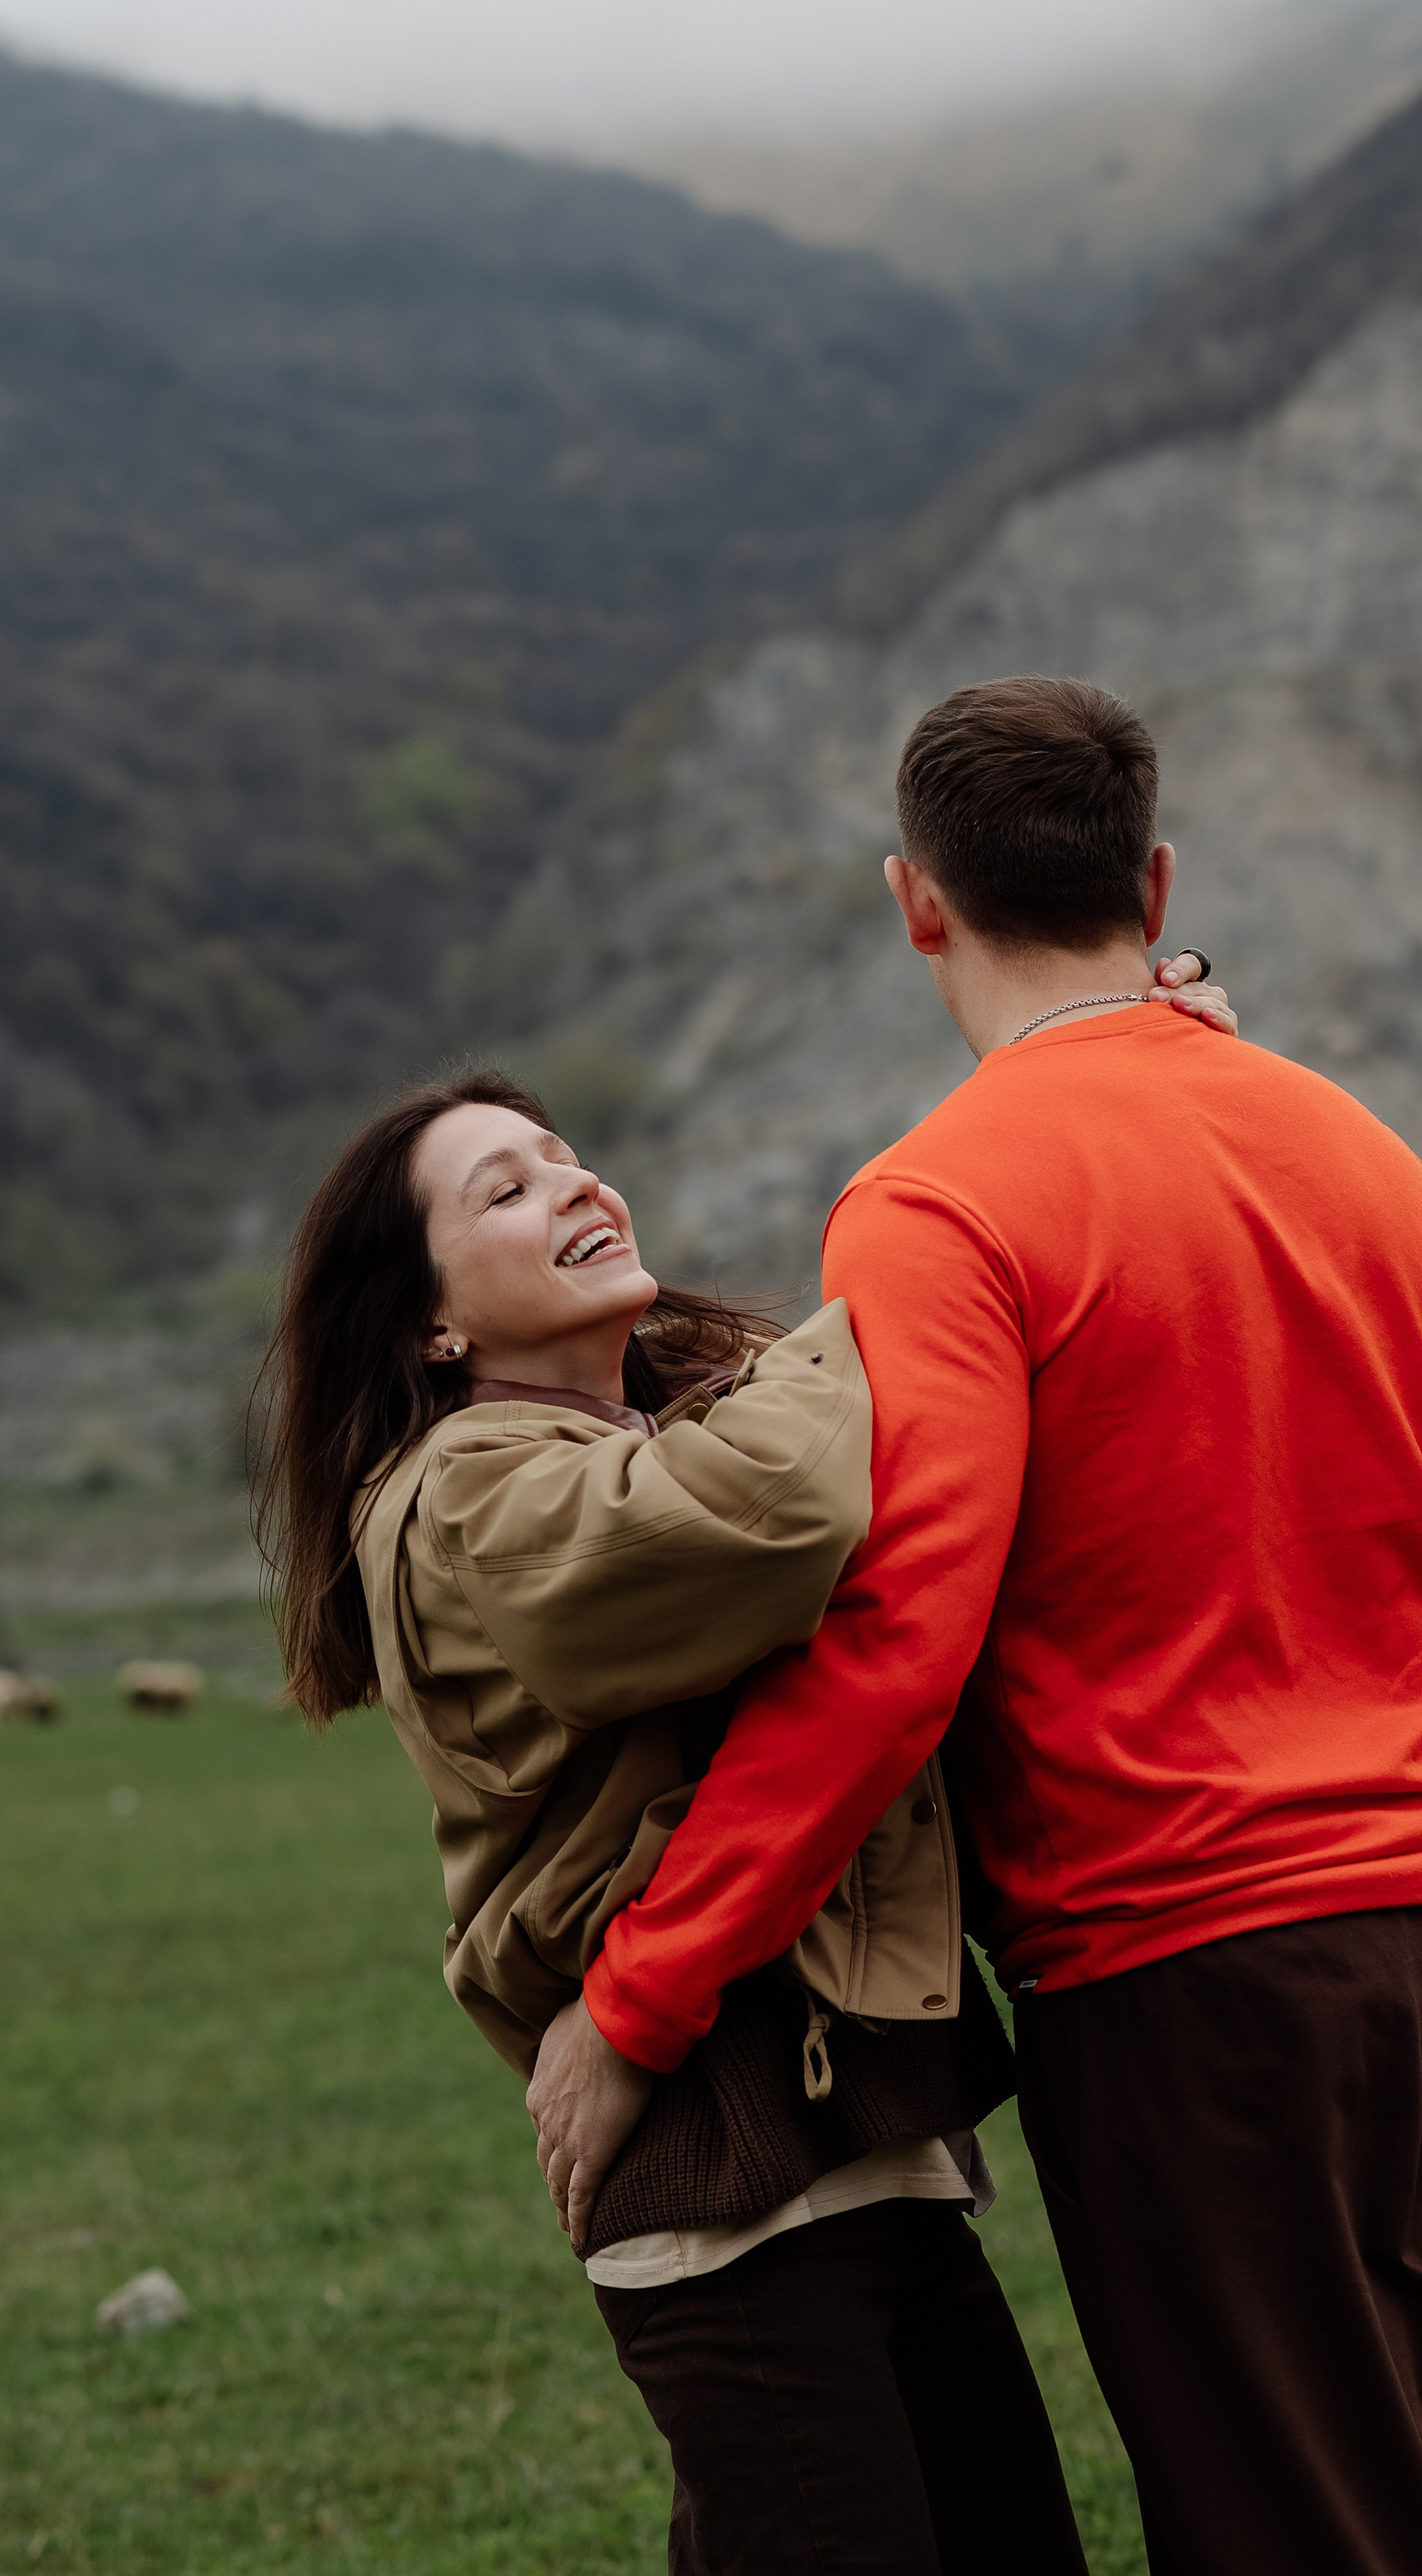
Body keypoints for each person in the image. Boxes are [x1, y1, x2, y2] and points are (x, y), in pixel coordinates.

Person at [528, 674, 1422, 2576]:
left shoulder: (937, 1204)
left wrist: (647, 1985)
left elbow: (892, 1646)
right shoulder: (1362, 1154)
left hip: (1197, 1982)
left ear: (912, 900)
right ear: (1153, 874)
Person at [256, 1007, 1243, 2574]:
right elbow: (775, 1511)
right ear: (427, 1329)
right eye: (502, 1191)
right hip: (723, 2177)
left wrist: (1121, 1062)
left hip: (859, 2134)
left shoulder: (681, 1421)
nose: (575, 1185)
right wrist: (911, 1301)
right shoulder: (461, 1499)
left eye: (567, 1155)